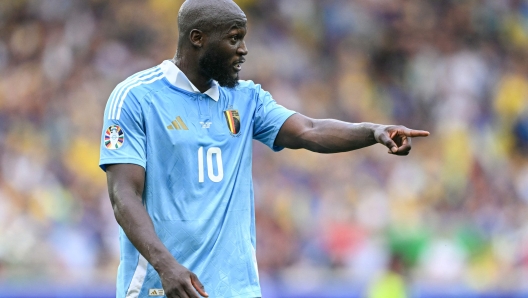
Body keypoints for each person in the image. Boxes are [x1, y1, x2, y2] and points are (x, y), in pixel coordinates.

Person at [99, 0, 430, 297]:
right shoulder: (136, 98)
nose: (243, 49)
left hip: (237, 289)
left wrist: (373, 131)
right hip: (165, 286)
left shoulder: (246, 98)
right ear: (197, 38)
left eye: (243, 38)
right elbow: (123, 195)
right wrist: (165, 265)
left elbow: (310, 130)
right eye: (234, 38)